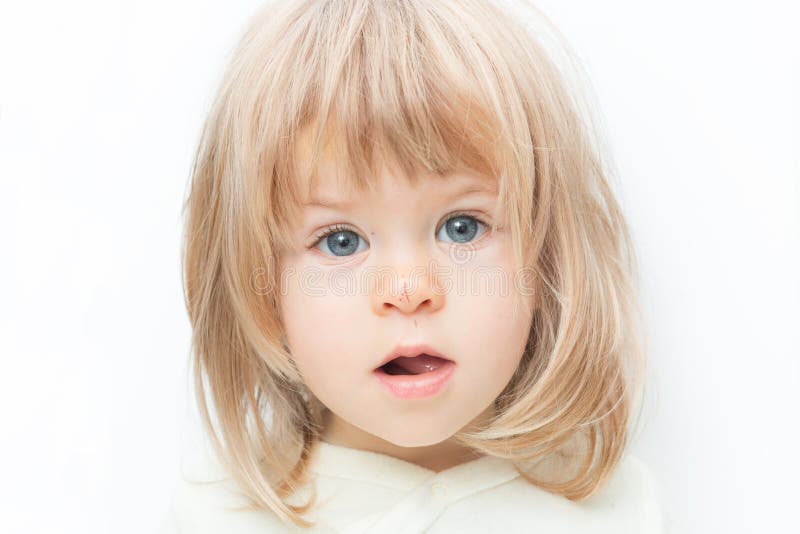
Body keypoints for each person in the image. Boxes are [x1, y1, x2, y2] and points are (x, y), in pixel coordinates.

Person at [164, 0, 662, 531]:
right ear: (259, 283)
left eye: (462, 227)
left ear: (549, 257)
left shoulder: (605, 506)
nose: (408, 290)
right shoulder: (222, 515)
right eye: (340, 241)